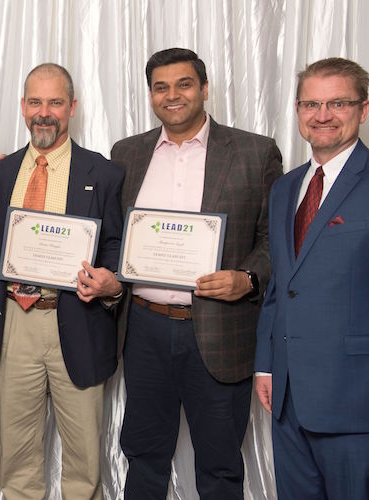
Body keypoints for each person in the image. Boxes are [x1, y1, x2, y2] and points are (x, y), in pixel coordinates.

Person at [110, 48, 282, 500]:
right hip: (143, 328)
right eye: (161, 87)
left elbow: (273, 240)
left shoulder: (254, 151)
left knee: (221, 464)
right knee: (143, 455)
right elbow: (113, 234)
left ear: (204, 89)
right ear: (150, 95)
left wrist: (246, 278)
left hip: (221, 329)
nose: (173, 96)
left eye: (184, 84)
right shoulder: (126, 154)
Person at [0, 63, 124, 499]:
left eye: (56, 102)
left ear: (73, 107)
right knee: (18, 456)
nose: (45, 113)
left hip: (77, 322)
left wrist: (111, 282)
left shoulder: (103, 173)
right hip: (17, 327)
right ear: (23, 107)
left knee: (83, 457)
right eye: (36, 102)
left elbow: (118, 245)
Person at [255, 57, 369, 500]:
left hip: (355, 398)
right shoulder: (285, 188)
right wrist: (265, 364)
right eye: (311, 104)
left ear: (362, 110)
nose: (322, 115)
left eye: (337, 102)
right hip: (286, 397)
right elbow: (281, 286)